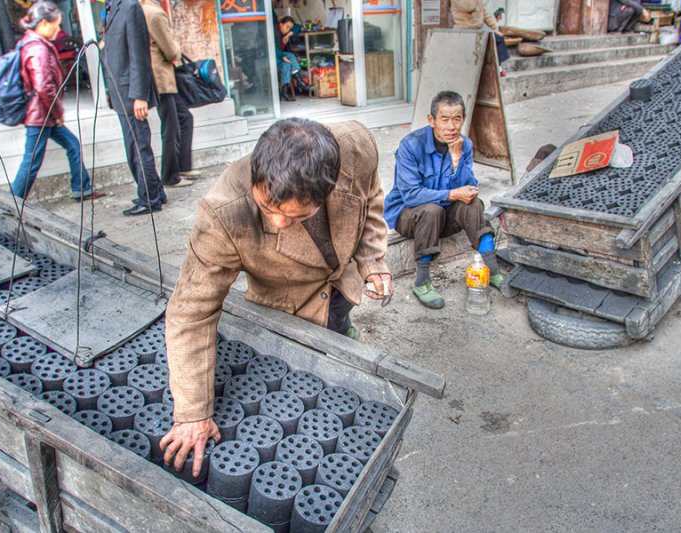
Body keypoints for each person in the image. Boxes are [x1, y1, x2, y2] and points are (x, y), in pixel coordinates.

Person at [159, 119, 392, 476]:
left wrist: (372, 259)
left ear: (328, 188)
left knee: (341, 334)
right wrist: (192, 413)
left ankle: (345, 338)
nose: (280, 223)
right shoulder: (224, 214)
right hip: (286, 305)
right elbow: (191, 313)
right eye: (269, 209)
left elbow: (371, 196)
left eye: (297, 215)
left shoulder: (356, 148)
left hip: (340, 283)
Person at [383, 91, 503, 310]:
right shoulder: (411, 146)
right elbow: (411, 195)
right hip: (409, 216)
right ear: (432, 120)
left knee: (474, 204)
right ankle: (422, 282)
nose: (451, 126)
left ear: (463, 119)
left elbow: (469, 187)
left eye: (456, 119)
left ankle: (493, 270)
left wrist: (456, 161)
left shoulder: (464, 145)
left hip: (444, 215)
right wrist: (451, 194)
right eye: (444, 119)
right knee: (431, 210)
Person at [9, 2, 104, 201]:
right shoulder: (37, 48)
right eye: (57, 24)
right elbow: (44, 87)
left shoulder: (33, 43)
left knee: (73, 145)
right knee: (31, 162)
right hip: (41, 115)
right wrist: (57, 113)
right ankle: (12, 203)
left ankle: (81, 188)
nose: (58, 29)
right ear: (44, 23)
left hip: (43, 113)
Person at [102, 0, 166, 216]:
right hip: (120, 91)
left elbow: (140, 55)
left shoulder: (130, 7)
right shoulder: (112, 9)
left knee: (138, 149)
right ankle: (155, 191)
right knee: (135, 147)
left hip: (131, 93)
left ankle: (149, 198)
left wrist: (140, 95)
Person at [140, 0, 196, 189]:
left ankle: (182, 166)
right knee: (171, 127)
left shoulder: (142, 10)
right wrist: (177, 49)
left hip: (159, 79)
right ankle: (170, 176)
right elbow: (171, 51)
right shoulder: (154, 13)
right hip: (162, 79)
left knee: (184, 118)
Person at [451, 0, 509, 77]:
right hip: (464, 29)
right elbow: (468, 7)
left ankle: (498, 67)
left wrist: (495, 29)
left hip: (478, 30)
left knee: (498, 38)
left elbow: (486, 13)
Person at [274, 15, 309, 102]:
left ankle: (284, 91)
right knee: (291, 56)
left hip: (280, 56)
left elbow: (298, 27)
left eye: (290, 28)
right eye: (287, 27)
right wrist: (282, 57)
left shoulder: (285, 32)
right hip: (272, 56)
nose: (288, 29)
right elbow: (272, 47)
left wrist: (288, 35)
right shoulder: (274, 31)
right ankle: (299, 81)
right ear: (281, 24)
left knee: (287, 65)